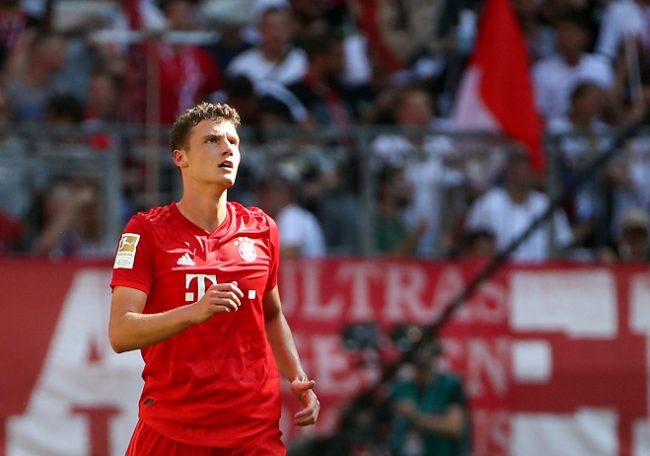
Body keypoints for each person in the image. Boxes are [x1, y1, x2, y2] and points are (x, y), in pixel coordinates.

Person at [109, 102, 319, 454]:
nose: (227, 149)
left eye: (233, 142)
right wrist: (193, 312)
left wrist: (297, 377)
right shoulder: (145, 231)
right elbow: (120, 332)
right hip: (174, 428)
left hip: (253, 431)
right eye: (212, 140)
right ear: (181, 158)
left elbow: (271, 314)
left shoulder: (262, 228)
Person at [389, 340, 470, 456]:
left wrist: (416, 417)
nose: (422, 373)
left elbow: (454, 426)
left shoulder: (450, 386)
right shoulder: (402, 388)